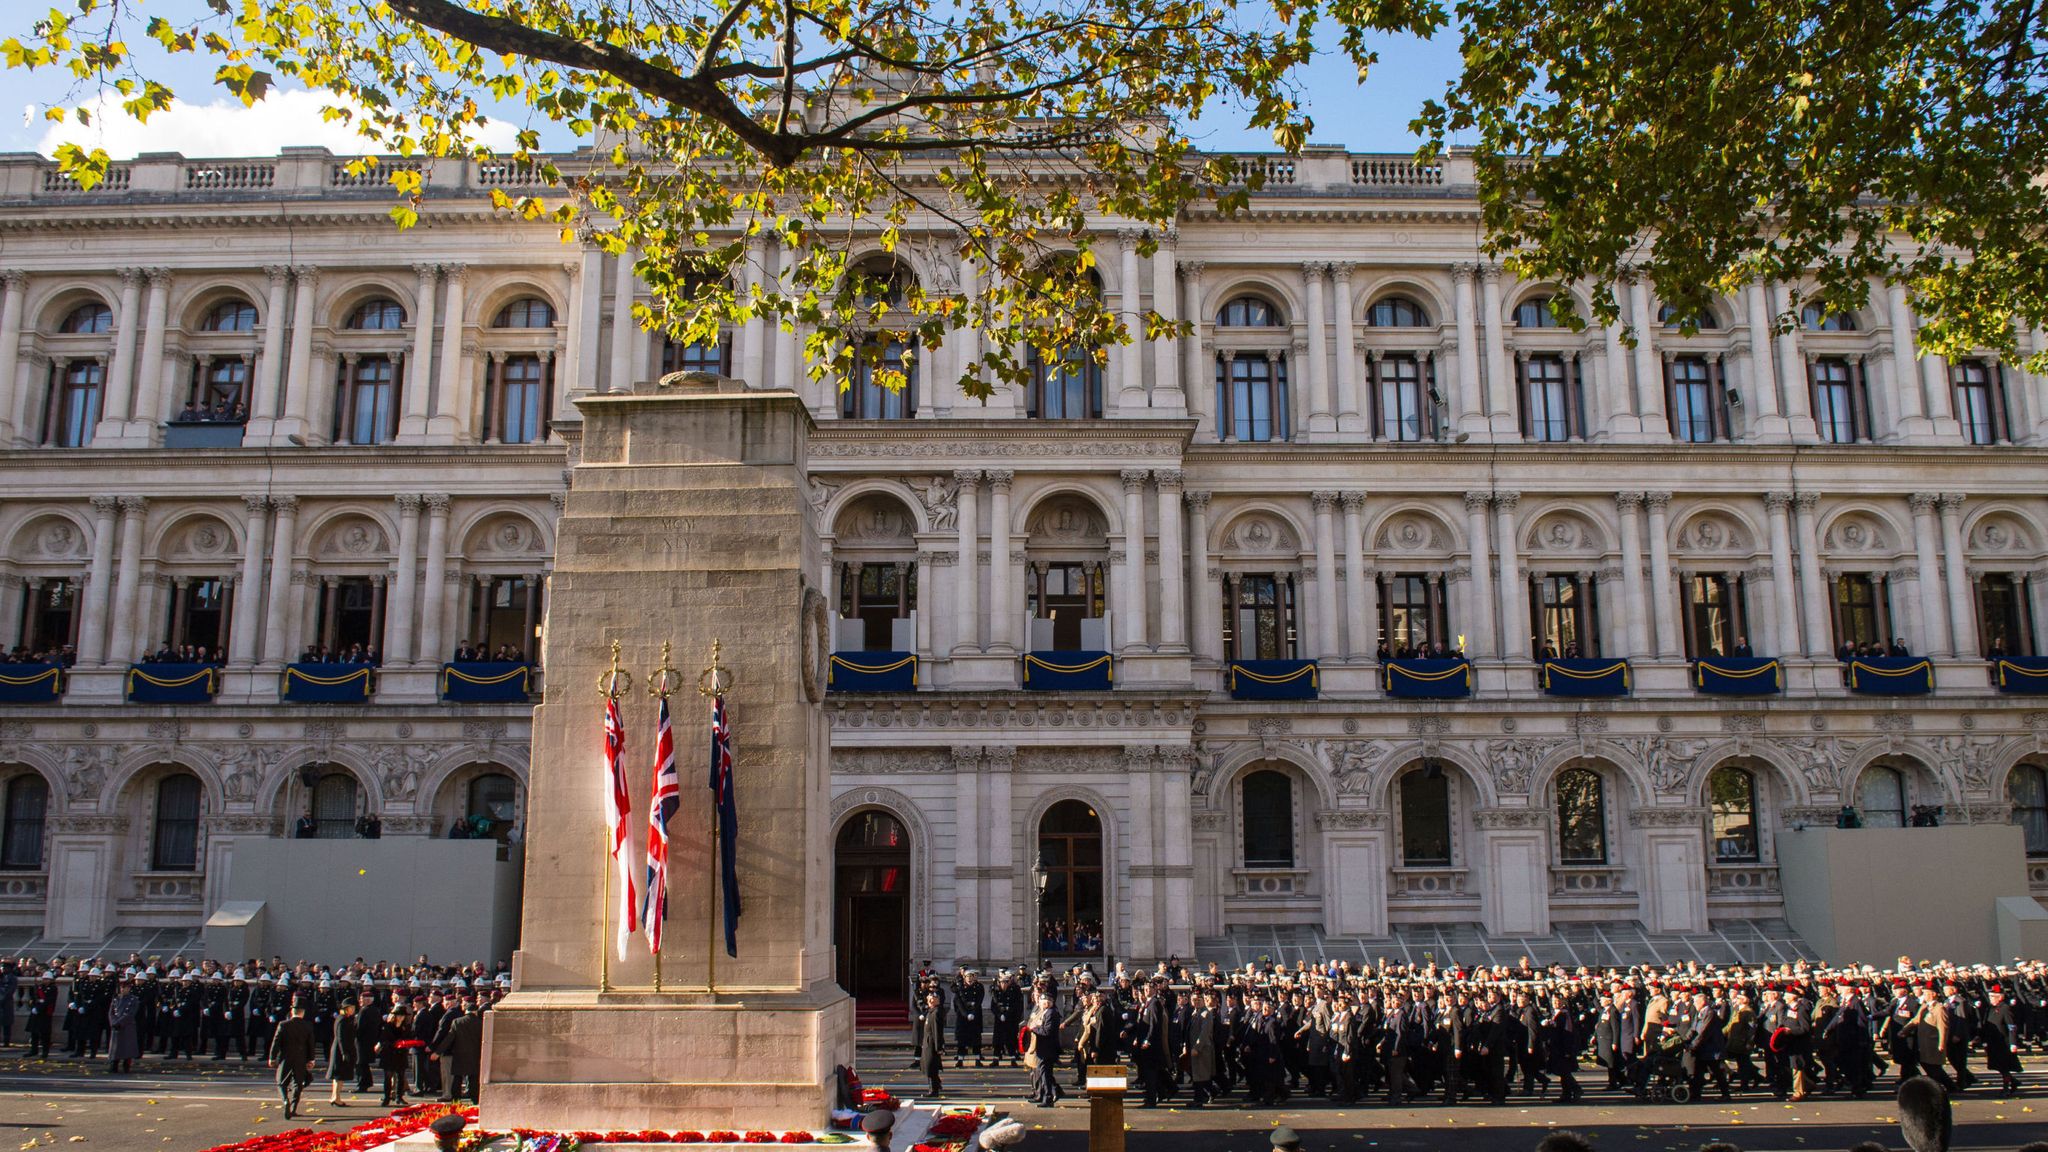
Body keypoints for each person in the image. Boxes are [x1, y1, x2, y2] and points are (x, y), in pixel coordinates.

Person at [268, 1001, 316, 1120]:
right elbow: (311, 1044)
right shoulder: (307, 1025)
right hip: (301, 1057)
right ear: (302, 1013)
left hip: (286, 1056)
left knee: (281, 1081)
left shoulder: (283, 1024)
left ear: (292, 1012)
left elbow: (276, 1042)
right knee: (297, 1083)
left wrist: (272, 1057)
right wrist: (311, 1059)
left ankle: (285, 1100)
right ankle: (293, 1108)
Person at [432, 993, 484, 1103]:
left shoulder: (457, 1022)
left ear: (466, 1011)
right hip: (475, 1055)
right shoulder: (481, 1023)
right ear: (475, 1012)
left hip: (459, 1055)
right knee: (473, 1079)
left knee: (457, 1079)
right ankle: (475, 1101)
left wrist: (437, 1052)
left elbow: (449, 1038)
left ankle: (456, 1100)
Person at [1024, 990, 1063, 1106]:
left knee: (1045, 1074)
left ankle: (1048, 1097)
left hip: (1047, 1048)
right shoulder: (1046, 1012)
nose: (1039, 1003)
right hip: (1042, 1048)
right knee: (1045, 1073)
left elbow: (1047, 1031)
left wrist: (1035, 1029)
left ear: (1047, 1003)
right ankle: (1048, 1094)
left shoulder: (1051, 1013)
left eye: (1041, 1001)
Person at [327, 997, 359, 1107]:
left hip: (342, 1049)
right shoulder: (342, 1019)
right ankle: (336, 1097)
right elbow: (341, 1037)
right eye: (352, 1007)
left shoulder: (346, 1018)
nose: (353, 1009)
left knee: (339, 1075)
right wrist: (344, 1052)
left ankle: (334, 1097)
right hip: (341, 1049)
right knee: (339, 1075)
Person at [914, 989, 945, 1097]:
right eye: (929, 998)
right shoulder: (931, 1011)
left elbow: (937, 1032)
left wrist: (938, 1047)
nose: (929, 1000)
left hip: (931, 1044)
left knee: (931, 1067)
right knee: (929, 1066)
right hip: (927, 1043)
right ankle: (935, 1086)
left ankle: (933, 1090)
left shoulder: (935, 1013)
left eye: (932, 998)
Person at [106, 979, 141, 1074]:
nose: (122, 990)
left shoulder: (133, 999)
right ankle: (114, 1064)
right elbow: (111, 1012)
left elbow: (131, 1014)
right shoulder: (116, 999)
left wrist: (120, 1022)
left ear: (129, 988)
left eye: (125, 988)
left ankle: (126, 1065)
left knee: (127, 1047)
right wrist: (113, 1022)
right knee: (115, 1047)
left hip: (127, 1026)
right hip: (116, 1026)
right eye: (121, 988)